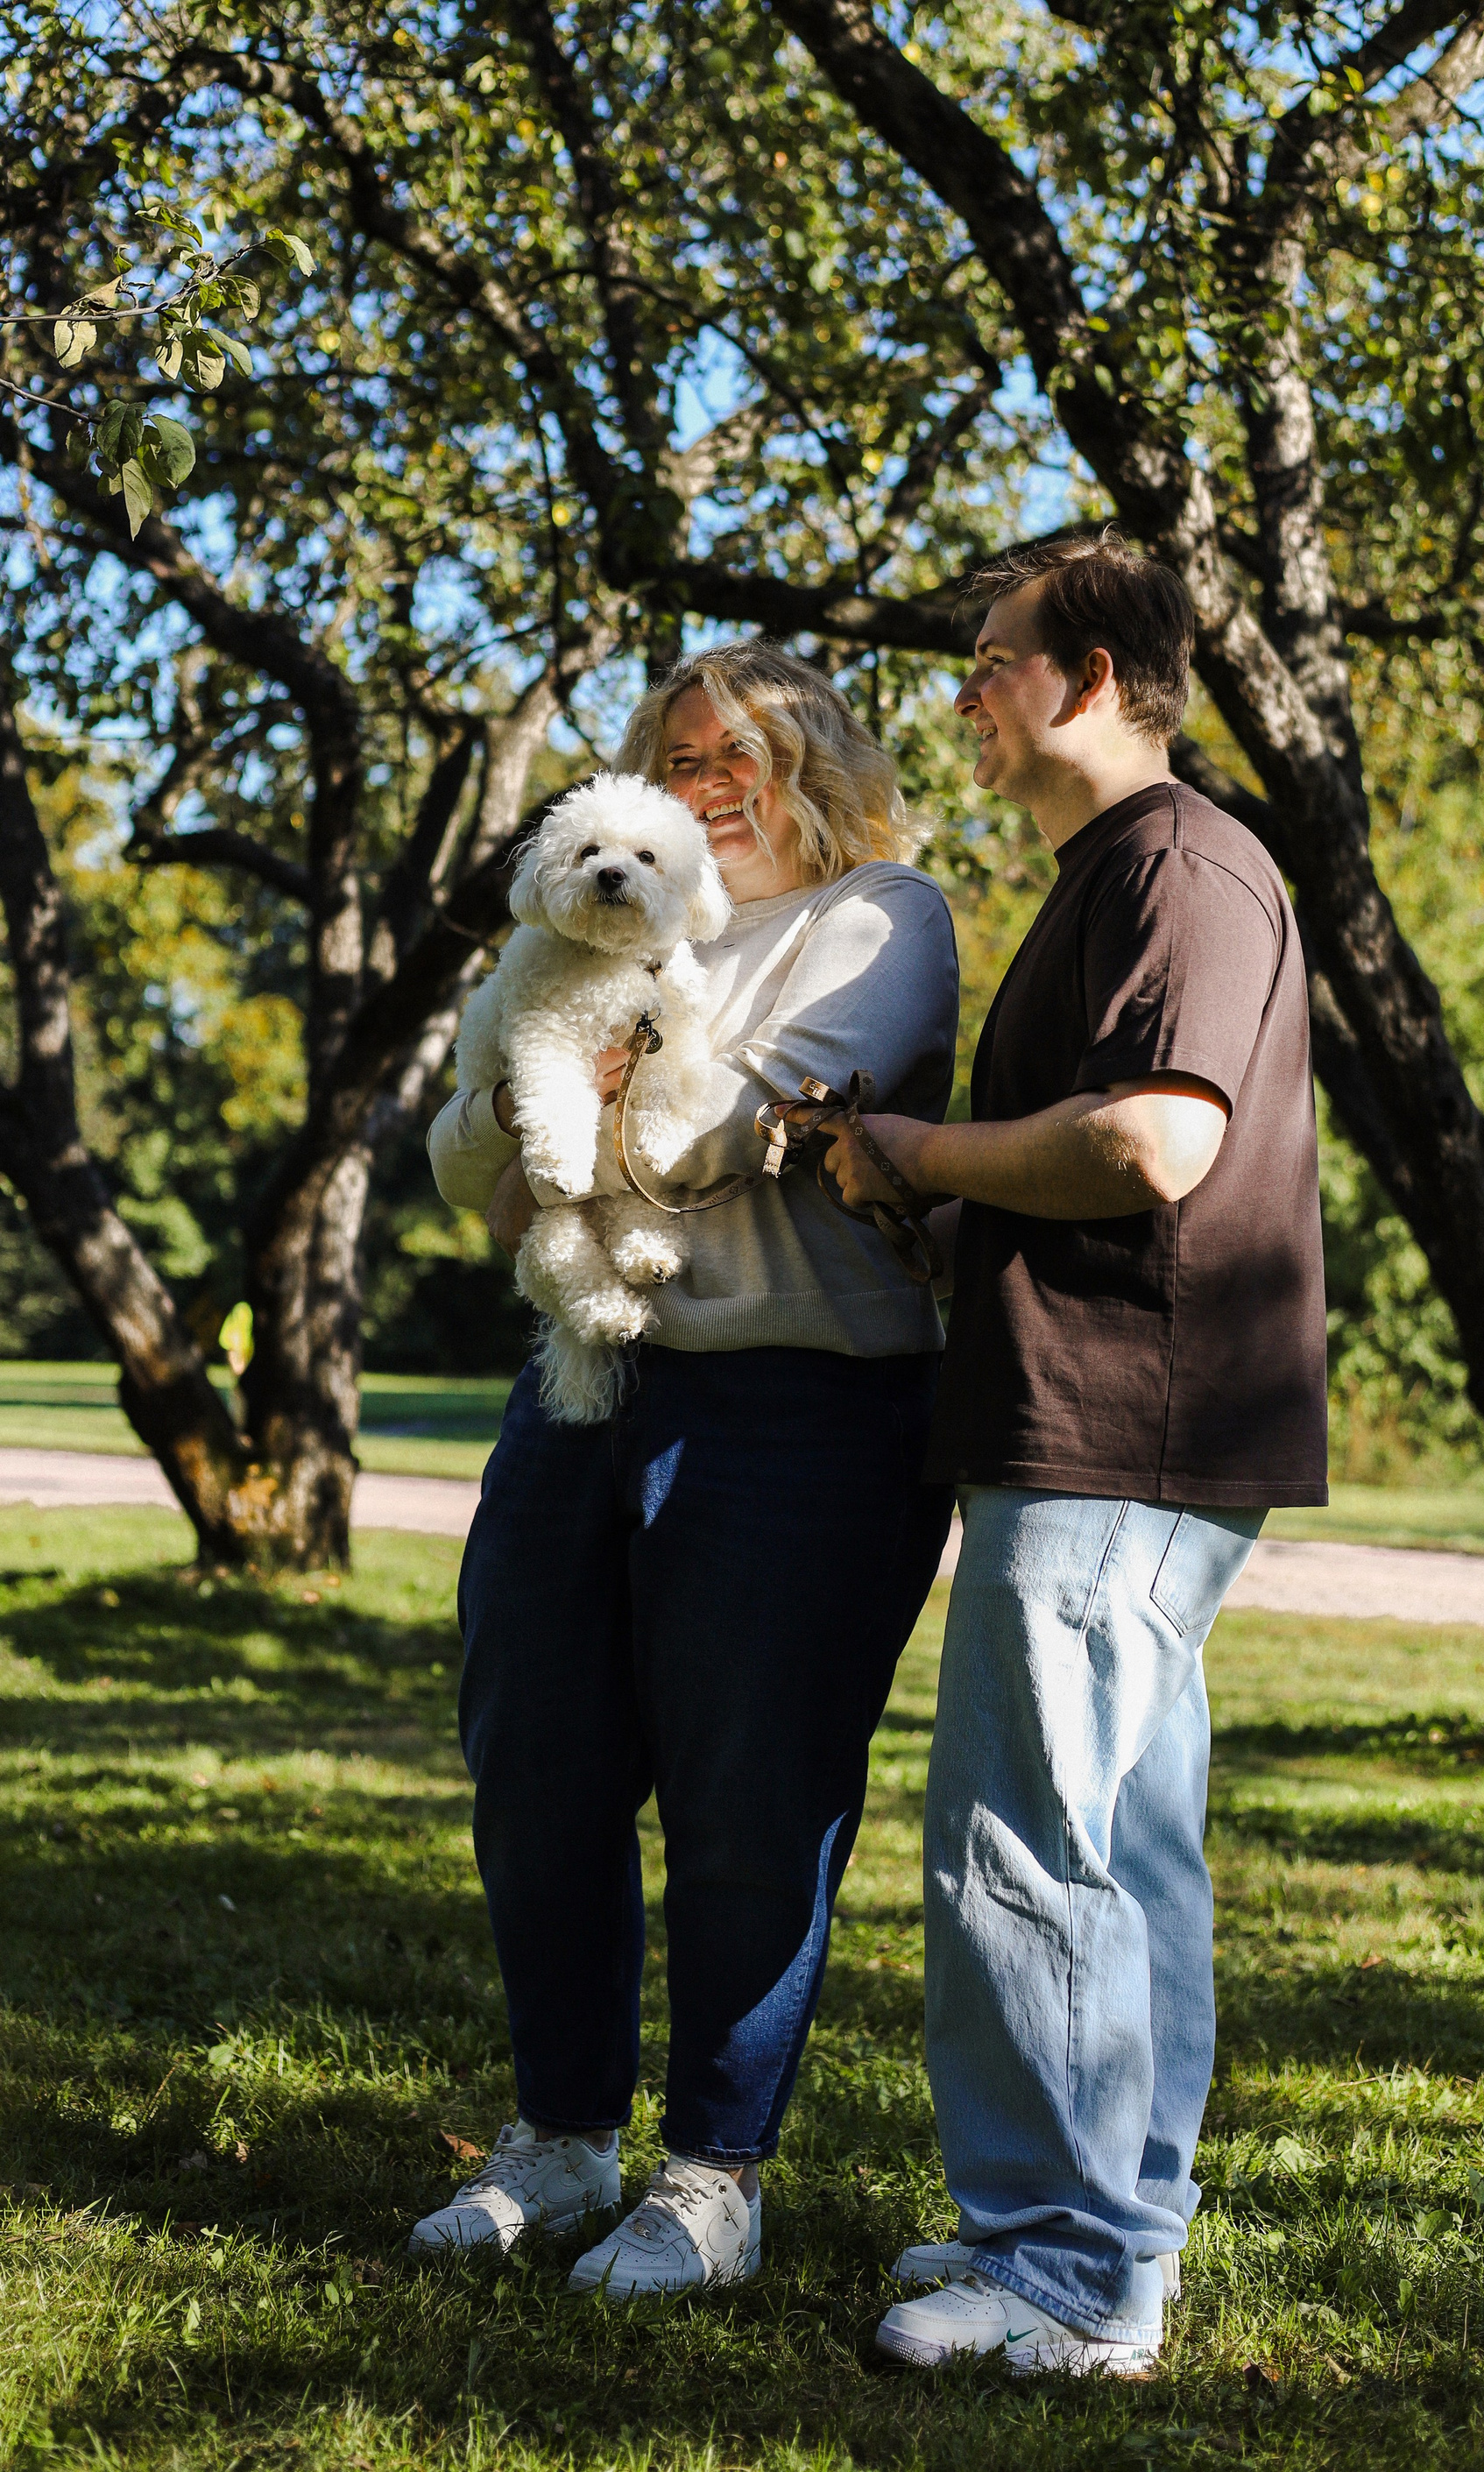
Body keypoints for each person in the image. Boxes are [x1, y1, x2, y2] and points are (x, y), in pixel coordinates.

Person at [812, 535, 1328, 2377]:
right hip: (1119, 1419)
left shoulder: (1178, 863)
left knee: (1026, 1843)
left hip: (1122, 1425)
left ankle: (1062, 2266)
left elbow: (1155, 1145)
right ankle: (1109, 2231)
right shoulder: (1117, 870)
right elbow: (1091, 1161)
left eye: (993, 657)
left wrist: (920, 1152)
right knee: (1120, 1843)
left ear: (1094, 676)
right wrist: (919, 1194)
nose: (966, 690)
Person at [414, 642, 958, 2296]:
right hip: (587, 1379)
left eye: (741, 756)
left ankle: (716, 2175)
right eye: (679, 756)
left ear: (814, 767)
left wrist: (574, 1100)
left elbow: (752, 1124)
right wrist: (545, 1103)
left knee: (750, 1791)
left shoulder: (880, 918)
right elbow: (460, 1154)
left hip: (799, 1397)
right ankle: (561, 2135)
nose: (708, 783)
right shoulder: (585, 920)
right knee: (535, 1759)